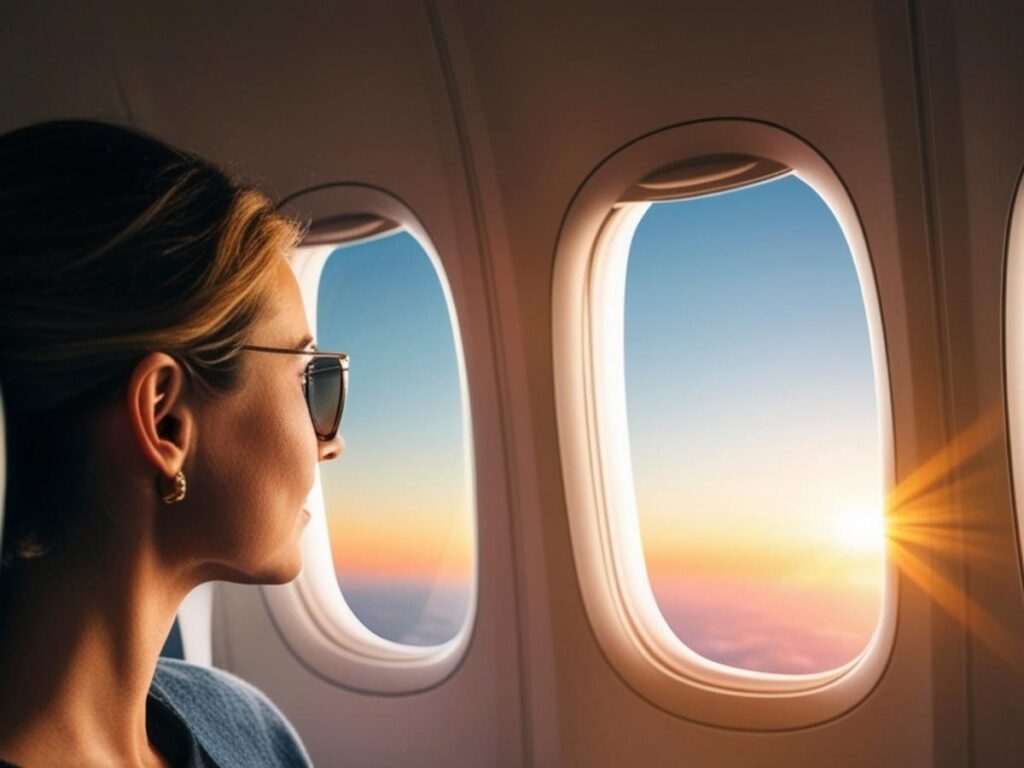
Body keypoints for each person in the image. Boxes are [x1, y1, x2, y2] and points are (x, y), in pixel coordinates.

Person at [0, 120, 347, 766]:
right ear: (166, 422)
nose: (331, 443)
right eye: (308, 378)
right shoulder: (248, 737)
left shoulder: (250, 726)